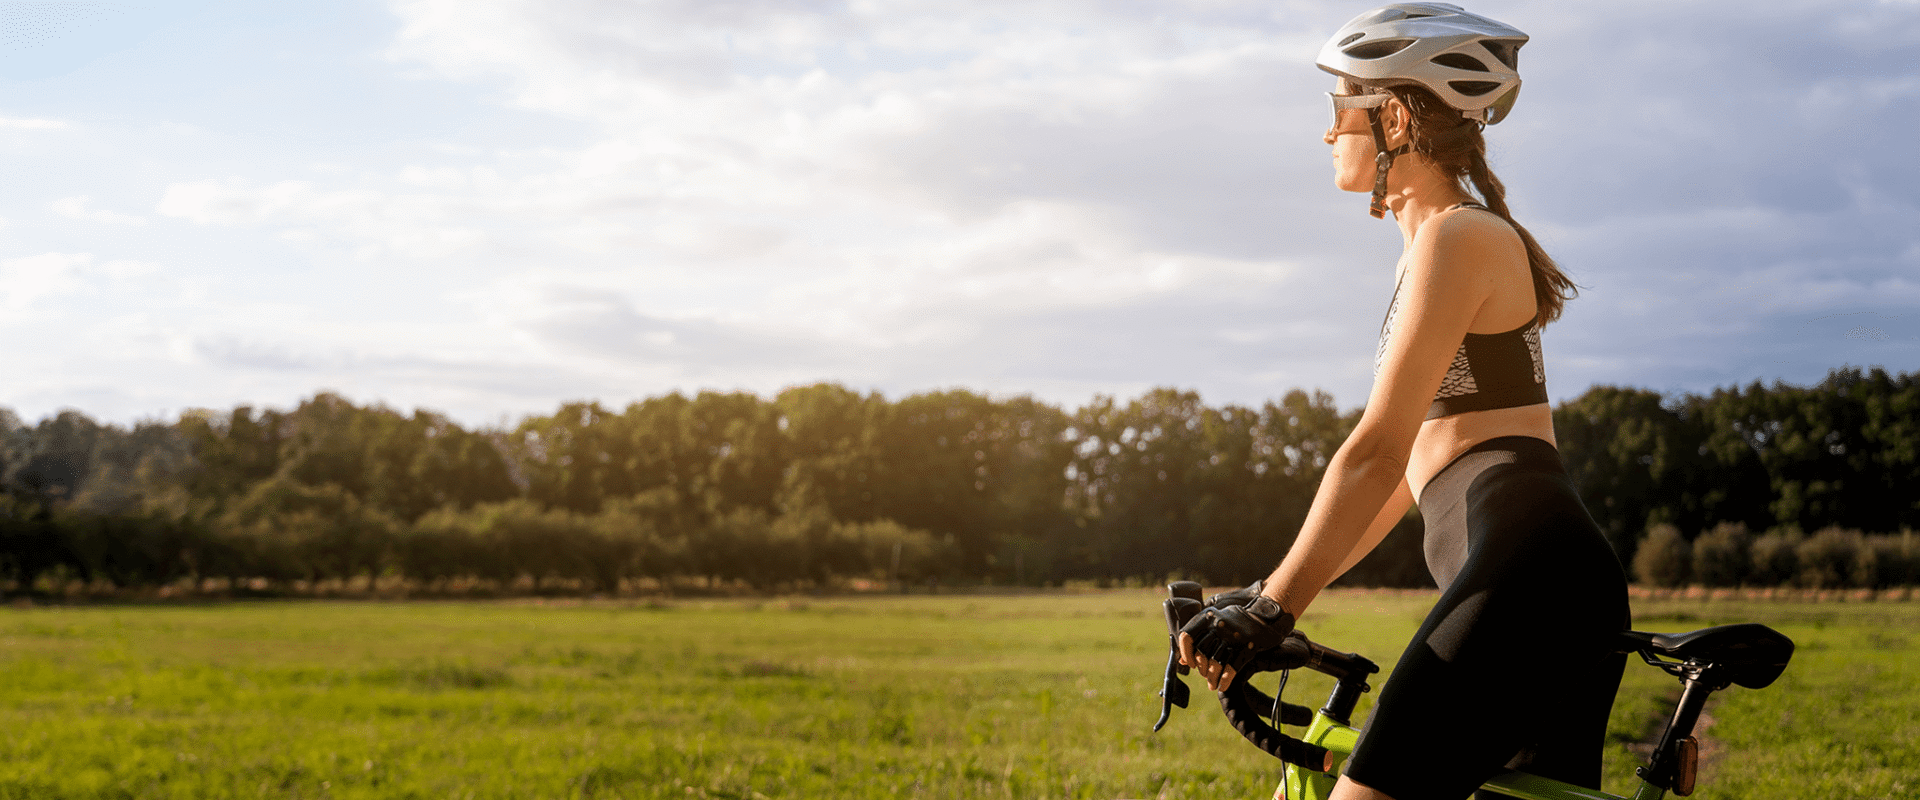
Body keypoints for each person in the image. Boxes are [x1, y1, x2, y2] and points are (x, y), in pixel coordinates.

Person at [1177, 4, 1630, 800]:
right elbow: (1399, 479)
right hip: (1539, 578)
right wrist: (1269, 593)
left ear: (1392, 113)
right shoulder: (1438, 245)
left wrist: (1274, 609)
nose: (1327, 132)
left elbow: (1376, 449)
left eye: (1338, 106)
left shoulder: (1462, 236)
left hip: (1529, 577)